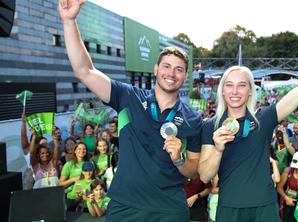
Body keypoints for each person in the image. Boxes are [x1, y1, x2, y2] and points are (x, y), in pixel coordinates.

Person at [198, 15, 298, 222]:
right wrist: (218, 148)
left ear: (250, 91)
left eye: (242, 85)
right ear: (222, 90)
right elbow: (204, 175)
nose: (235, 91)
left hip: (264, 208)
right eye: (229, 85)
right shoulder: (210, 125)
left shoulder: (263, 119)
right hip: (229, 208)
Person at [59, 1, 202, 221]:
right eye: (166, 66)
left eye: (179, 69)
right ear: (155, 69)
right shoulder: (128, 97)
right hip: (125, 207)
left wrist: (178, 159)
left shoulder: (193, 119)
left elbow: (193, 171)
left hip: (169, 209)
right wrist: (69, 21)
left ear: (185, 76)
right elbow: (85, 71)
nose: (171, 73)